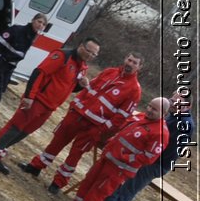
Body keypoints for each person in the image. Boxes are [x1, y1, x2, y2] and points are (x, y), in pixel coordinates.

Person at [23, 52, 143, 192]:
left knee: (75, 155)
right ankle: (36, 166)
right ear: (125, 59)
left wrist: (102, 129)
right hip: (77, 115)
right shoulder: (109, 72)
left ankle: (58, 183)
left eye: (135, 63)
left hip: (93, 126)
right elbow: (89, 89)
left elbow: (122, 116)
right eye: (129, 60)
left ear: (140, 67)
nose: (130, 64)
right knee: (56, 142)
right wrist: (75, 105)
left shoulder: (134, 90)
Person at [0, 38, 100, 174]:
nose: (90, 55)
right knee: (15, 128)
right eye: (89, 51)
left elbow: (68, 87)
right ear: (81, 46)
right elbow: (39, 73)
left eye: (94, 54)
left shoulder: (82, 68)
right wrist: (29, 96)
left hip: (49, 107)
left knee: (23, 132)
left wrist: (80, 85)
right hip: (38, 100)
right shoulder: (63, 56)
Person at [54, 96, 172, 201]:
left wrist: (125, 158)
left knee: (97, 192)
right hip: (108, 158)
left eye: (154, 109)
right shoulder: (141, 117)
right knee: (88, 183)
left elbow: (148, 157)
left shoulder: (161, 133)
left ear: (164, 114)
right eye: (149, 106)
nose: (149, 110)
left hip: (119, 168)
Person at [89, 92, 193, 201]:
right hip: (150, 158)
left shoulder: (184, 124)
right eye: (171, 101)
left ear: (187, 106)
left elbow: (168, 148)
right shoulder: (174, 115)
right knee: (118, 181)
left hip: (156, 163)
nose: (172, 104)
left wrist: (145, 156)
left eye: (176, 103)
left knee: (128, 187)